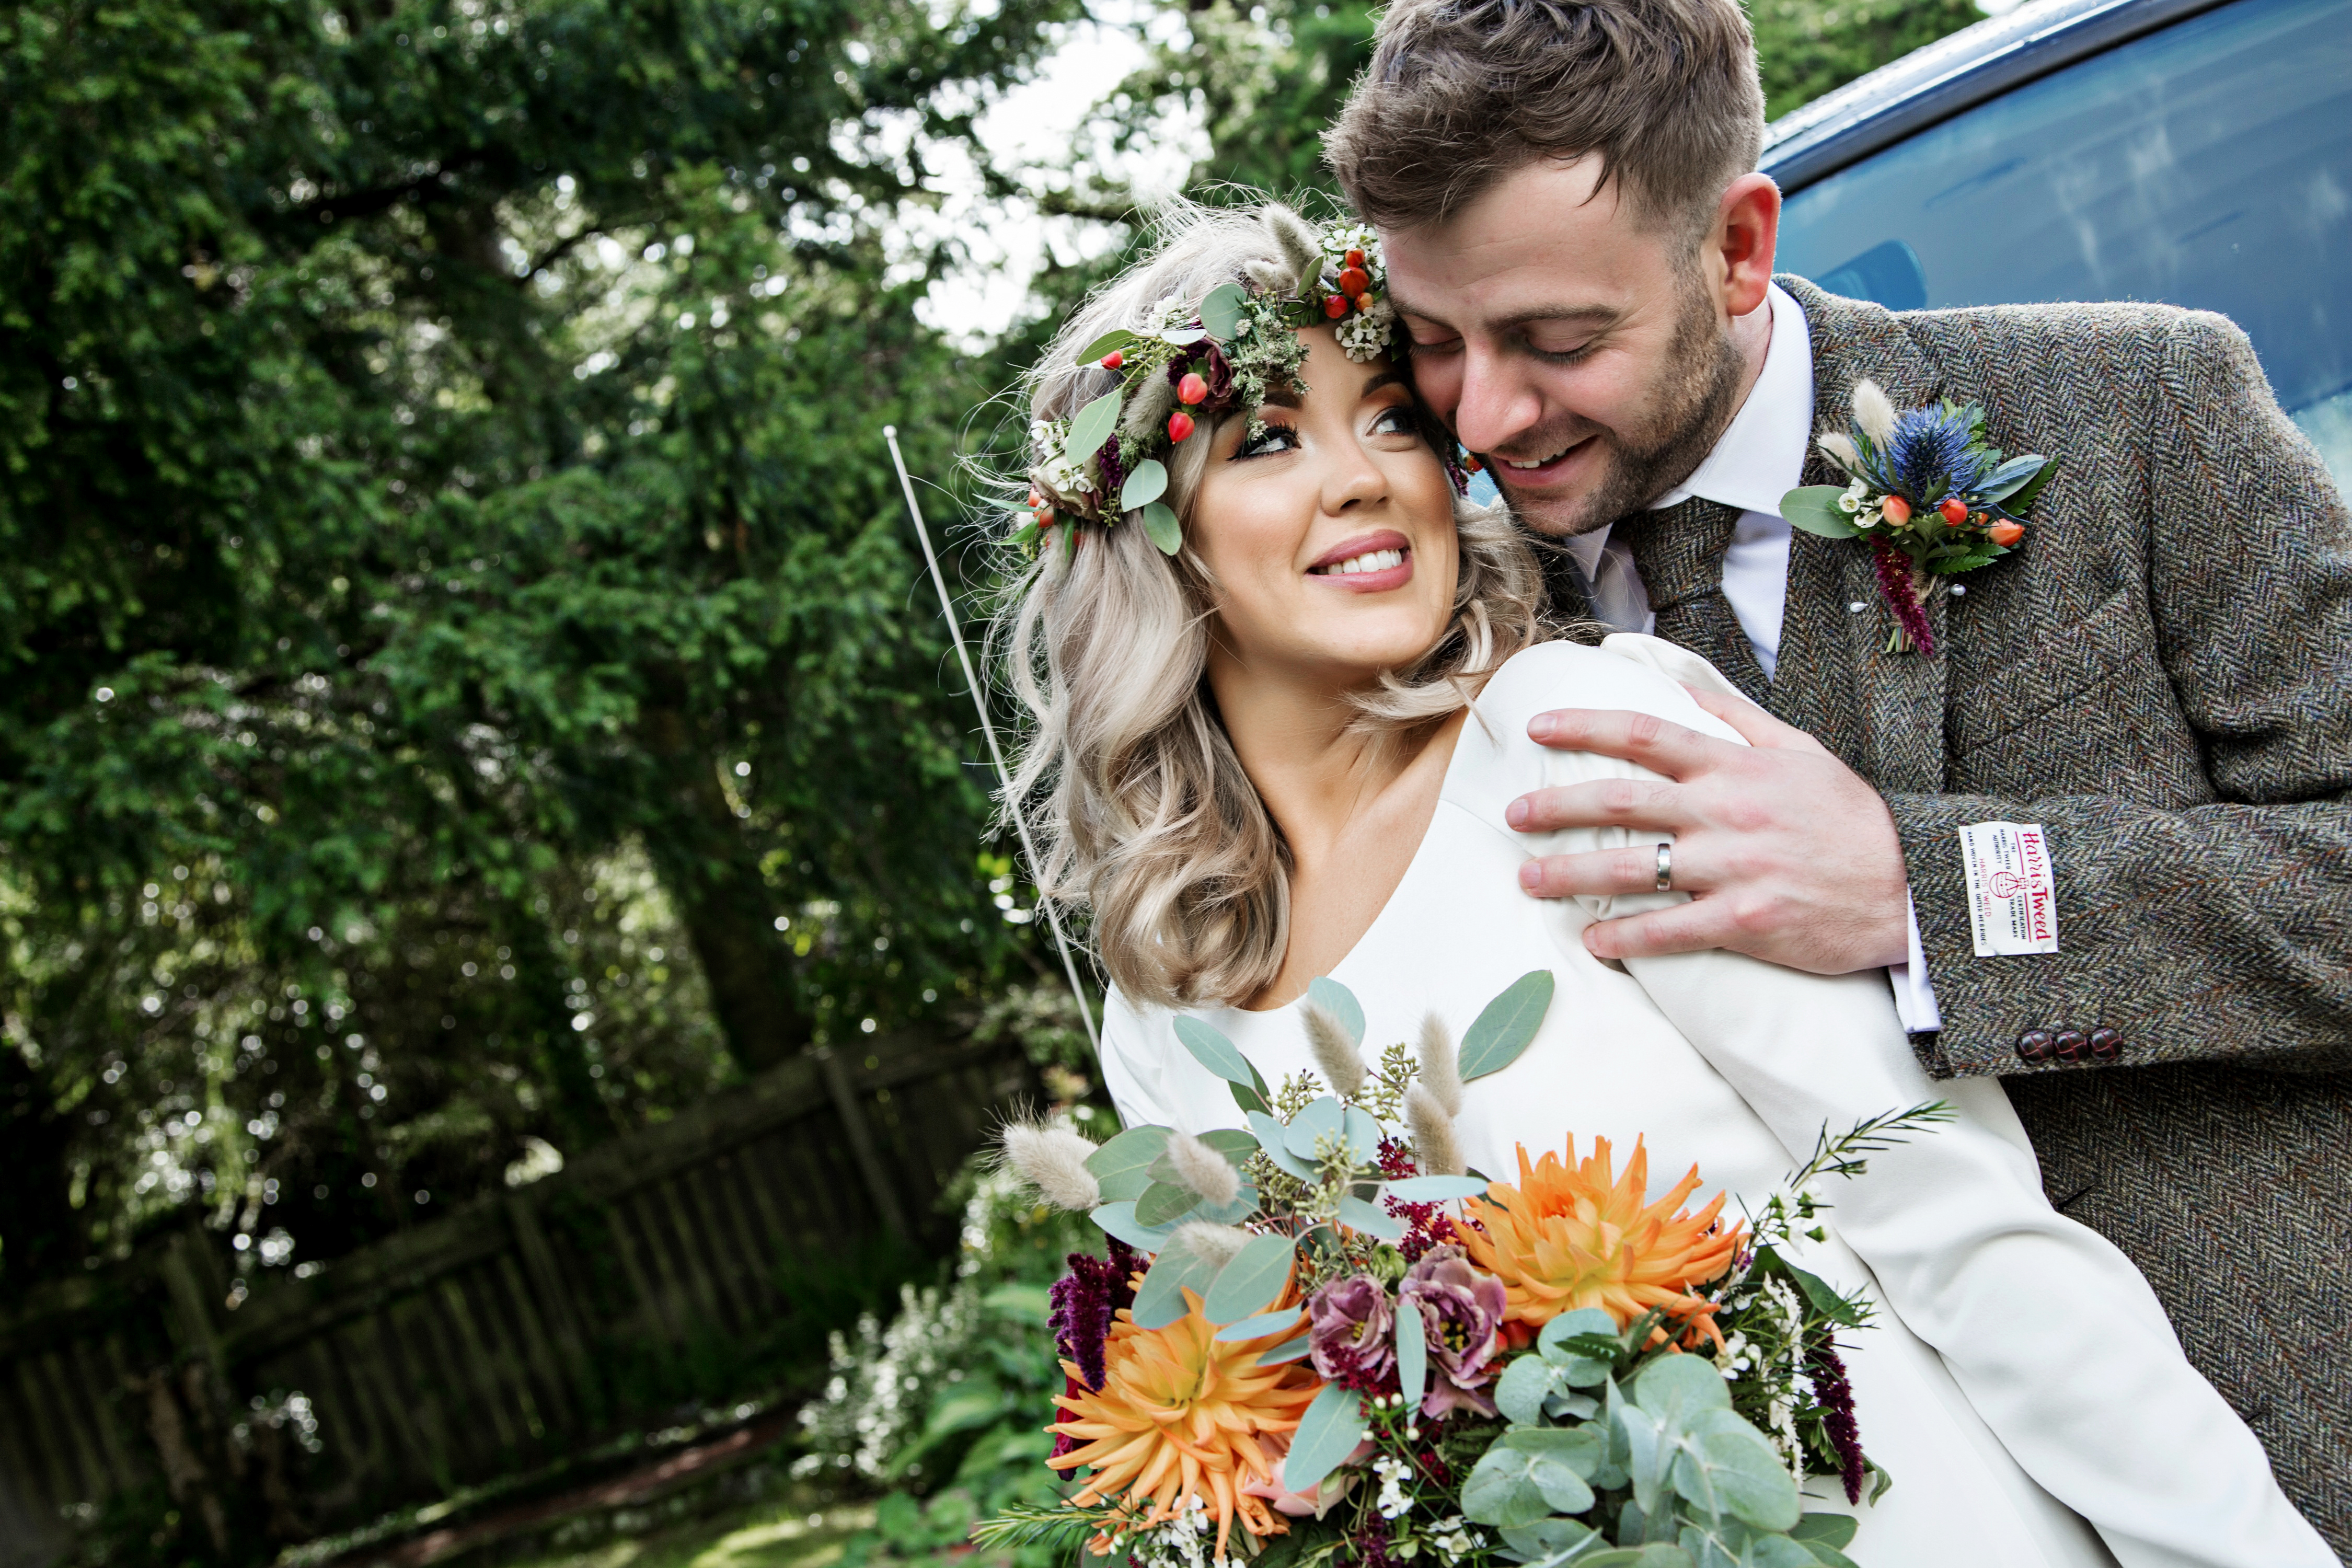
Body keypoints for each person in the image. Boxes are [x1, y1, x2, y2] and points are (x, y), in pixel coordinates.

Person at [993, 200, 2331, 1565]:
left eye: (1395, 418)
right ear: (1144, 528)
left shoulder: (1568, 736)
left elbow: (1962, 1233)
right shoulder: (1166, 1011)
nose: (1367, 477)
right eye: (1270, 439)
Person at [1323, 0, 2352, 1540]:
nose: (1482, 416)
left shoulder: (2141, 412)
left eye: (1555, 341)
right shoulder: (1433, 652)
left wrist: (1920, 891)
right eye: (1431, 341)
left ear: (1735, 249)